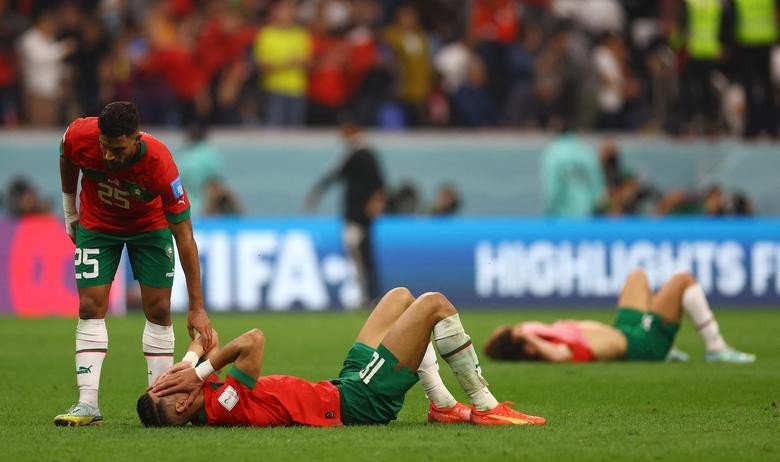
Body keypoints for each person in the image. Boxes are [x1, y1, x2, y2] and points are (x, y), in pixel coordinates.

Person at [140, 287, 546, 427]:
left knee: (400, 298)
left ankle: (440, 404)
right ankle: (485, 405)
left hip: (342, 386)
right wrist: (202, 368)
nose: (166, 381)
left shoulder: (200, 398)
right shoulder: (226, 407)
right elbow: (253, 340)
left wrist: (192, 361)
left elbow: (211, 342)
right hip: (359, 402)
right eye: (164, 387)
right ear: (179, 402)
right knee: (434, 305)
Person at [54, 101, 213, 426]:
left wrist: (197, 306)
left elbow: (184, 237)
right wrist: (70, 209)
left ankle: (159, 400)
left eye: (117, 149)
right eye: (104, 147)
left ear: (136, 138)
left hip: (149, 227)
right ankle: (87, 405)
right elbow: (67, 156)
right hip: (98, 225)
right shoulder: (81, 134)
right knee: (90, 304)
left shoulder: (160, 164)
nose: (109, 156)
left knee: (158, 310)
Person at [484, 269, 755, 364]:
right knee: (684, 280)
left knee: (637, 276)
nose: (513, 327)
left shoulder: (539, 335)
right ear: (522, 346)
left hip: (624, 328)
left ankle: (672, 349)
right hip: (640, 343)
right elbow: (560, 356)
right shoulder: (546, 348)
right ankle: (716, 348)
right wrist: (531, 337)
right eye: (509, 332)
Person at [306, 121, 385, 303]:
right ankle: (369, 295)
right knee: (361, 254)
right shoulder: (363, 153)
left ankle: (368, 295)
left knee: (359, 255)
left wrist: (317, 192)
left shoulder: (360, 153)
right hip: (360, 215)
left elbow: (337, 174)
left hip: (357, 215)